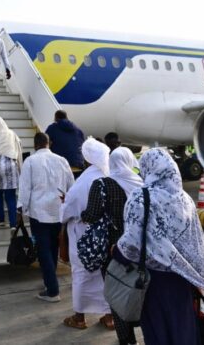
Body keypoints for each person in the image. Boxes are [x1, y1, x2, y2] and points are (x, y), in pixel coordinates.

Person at [115, 148, 204, 345]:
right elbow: (196, 241)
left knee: (158, 331)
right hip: (183, 279)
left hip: (153, 282)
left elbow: (132, 244)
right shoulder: (185, 199)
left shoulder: (140, 197)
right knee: (183, 330)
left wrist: (116, 252)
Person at [81, 146, 142, 344]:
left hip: (113, 249)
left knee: (118, 293)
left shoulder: (102, 184)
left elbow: (92, 215)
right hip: (140, 247)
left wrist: (81, 215)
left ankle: (127, 339)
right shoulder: (141, 184)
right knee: (140, 291)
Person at [59, 138, 112, 330]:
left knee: (81, 274)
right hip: (106, 237)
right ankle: (109, 316)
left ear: (87, 159)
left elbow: (67, 212)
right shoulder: (110, 177)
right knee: (105, 275)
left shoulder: (82, 182)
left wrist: (63, 205)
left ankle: (79, 317)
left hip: (82, 236)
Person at [18, 132, 75, 303]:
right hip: (58, 212)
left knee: (43, 252)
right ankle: (50, 283)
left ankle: (52, 290)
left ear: (35, 145)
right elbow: (71, 185)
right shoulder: (62, 160)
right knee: (53, 249)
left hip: (39, 213)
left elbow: (25, 188)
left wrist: (21, 210)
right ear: (49, 143)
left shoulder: (30, 161)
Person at [46, 110, 85, 177]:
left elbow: (44, 141)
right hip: (78, 165)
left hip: (61, 166)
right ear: (66, 117)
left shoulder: (52, 128)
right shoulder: (78, 130)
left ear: (56, 118)